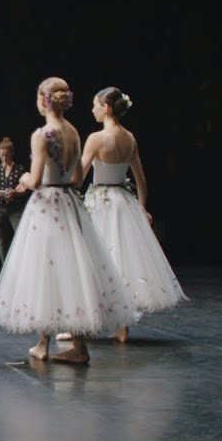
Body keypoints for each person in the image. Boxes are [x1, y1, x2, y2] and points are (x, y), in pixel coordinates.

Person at [0, 77, 132, 363]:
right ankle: (77, 346)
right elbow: (77, 179)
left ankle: (43, 344)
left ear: (43, 99)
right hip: (69, 203)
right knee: (69, 270)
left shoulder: (42, 134)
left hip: (47, 205)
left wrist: (24, 178)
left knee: (46, 270)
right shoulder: (75, 132)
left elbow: (36, 180)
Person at [79, 87, 187, 342]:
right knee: (122, 260)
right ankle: (122, 326)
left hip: (100, 201)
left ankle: (89, 321)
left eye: (95, 105)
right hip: (123, 202)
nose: (92, 109)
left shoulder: (96, 138)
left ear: (106, 108)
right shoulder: (130, 138)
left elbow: (80, 175)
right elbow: (142, 179)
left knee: (98, 258)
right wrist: (141, 208)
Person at [0, 137, 29, 263]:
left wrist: (14, 192)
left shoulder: (19, 169)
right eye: (2, 155)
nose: (4, 158)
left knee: (19, 238)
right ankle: (6, 268)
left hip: (15, 209)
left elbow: (24, 189)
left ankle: (20, 265)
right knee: (2, 241)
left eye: (6, 155)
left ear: (12, 153)